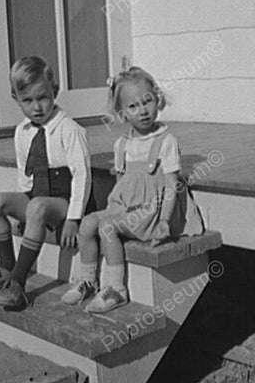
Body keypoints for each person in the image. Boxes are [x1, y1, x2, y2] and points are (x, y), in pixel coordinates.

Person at [62, 66, 204, 313]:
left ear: (157, 100)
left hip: (154, 213)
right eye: (133, 106)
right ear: (122, 113)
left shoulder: (166, 141)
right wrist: (114, 211)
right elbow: (123, 184)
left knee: (108, 227)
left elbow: (172, 185)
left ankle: (117, 289)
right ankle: (86, 280)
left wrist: (165, 221)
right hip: (129, 209)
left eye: (147, 101)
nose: (143, 110)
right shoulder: (122, 145)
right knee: (87, 224)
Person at [0, 56, 91, 310]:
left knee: (38, 206)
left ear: (55, 91)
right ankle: (7, 266)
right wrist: (20, 214)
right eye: (27, 100)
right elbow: (24, 174)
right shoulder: (22, 132)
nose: (37, 107)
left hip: (64, 200)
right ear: (16, 100)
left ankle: (18, 284)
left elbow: (82, 175)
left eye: (43, 97)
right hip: (37, 196)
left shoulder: (69, 129)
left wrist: (73, 218)